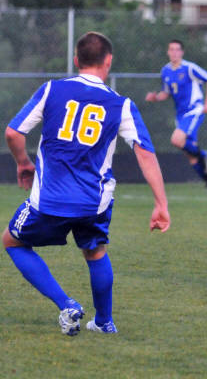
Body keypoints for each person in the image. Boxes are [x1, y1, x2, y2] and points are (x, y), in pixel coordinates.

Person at [2, 31, 171, 336]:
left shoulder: (52, 89)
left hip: (50, 199)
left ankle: (66, 303)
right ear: (109, 61)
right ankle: (104, 322)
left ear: (76, 60)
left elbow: (13, 133)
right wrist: (161, 204)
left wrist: (23, 163)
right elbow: (145, 154)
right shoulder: (121, 104)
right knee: (95, 252)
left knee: (12, 241)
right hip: (94, 201)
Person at [146, 39, 207, 187]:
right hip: (180, 114)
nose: (174, 52)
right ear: (168, 52)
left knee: (176, 140)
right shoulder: (165, 71)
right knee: (190, 154)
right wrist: (156, 97)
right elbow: (166, 93)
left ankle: (203, 155)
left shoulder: (189, 68)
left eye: (177, 49)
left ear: (182, 52)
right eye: (171, 49)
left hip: (194, 110)